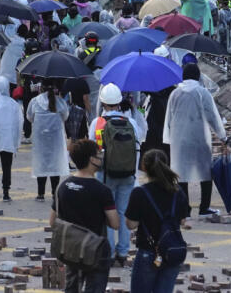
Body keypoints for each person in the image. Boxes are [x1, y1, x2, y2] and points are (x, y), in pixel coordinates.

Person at [89, 83, 146, 266]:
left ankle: (108, 251)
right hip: (128, 174)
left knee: (106, 213)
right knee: (122, 212)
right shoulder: (131, 123)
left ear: (103, 103)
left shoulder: (97, 123)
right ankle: (122, 253)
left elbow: (91, 147)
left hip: (104, 175)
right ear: (120, 102)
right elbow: (139, 144)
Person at [51, 139, 119, 293]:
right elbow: (115, 224)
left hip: (70, 248)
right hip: (95, 250)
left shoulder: (63, 186)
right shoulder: (102, 190)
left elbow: (52, 221)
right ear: (91, 159)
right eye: (98, 154)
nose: (101, 157)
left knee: (71, 287)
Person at [163, 63, 227, 215]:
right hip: (199, 139)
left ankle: (185, 208)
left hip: (179, 141)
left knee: (181, 174)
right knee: (205, 173)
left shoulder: (175, 94)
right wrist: (223, 136)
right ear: (198, 76)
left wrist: (168, 139)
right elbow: (213, 117)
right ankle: (204, 207)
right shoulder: (203, 93)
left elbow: (169, 119)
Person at [125, 150, 190, 293]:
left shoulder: (140, 193)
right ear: (166, 165)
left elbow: (131, 224)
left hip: (149, 252)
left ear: (144, 168)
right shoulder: (177, 191)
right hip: (172, 251)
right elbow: (183, 221)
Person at [27, 79, 70, 201]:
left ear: (41, 88)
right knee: (54, 165)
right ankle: (54, 193)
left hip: (40, 140)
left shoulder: (34, 101)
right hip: (55, 139)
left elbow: (29, 117)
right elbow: (65, 116)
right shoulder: (60, 102)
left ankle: (40, 194)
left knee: (41, 165)